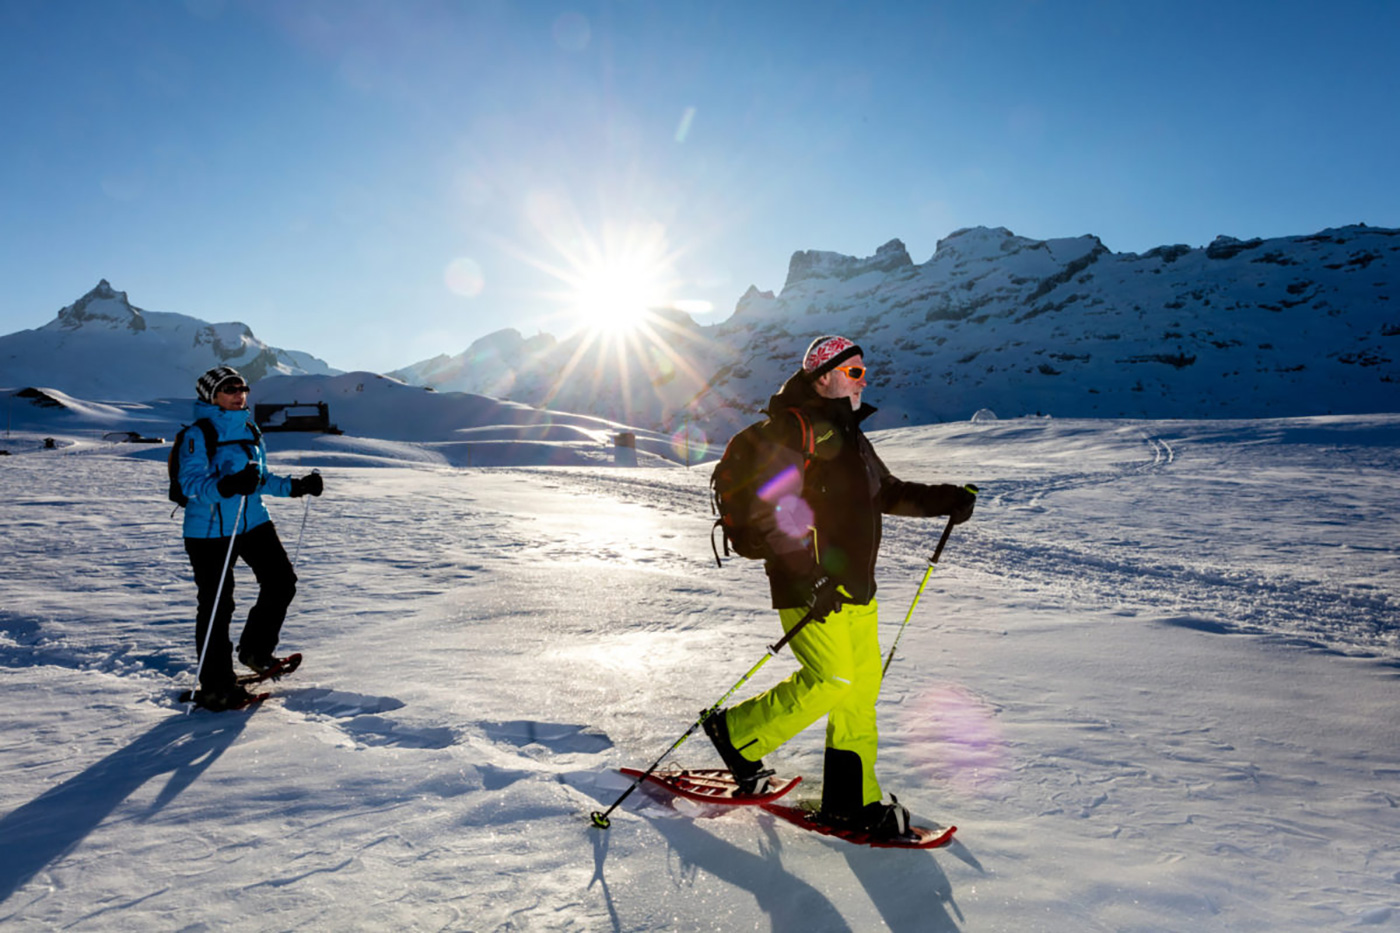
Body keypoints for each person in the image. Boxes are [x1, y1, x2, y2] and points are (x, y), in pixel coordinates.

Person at [703, 335, 977, 838]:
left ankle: (853, 800)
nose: (863, 379)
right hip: (809, 586)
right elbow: (772, 512)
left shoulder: (850, 436)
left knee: (860, 692)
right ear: (823, 376)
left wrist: (946, 499)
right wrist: (811, 576)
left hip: (856, 589)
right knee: (832, 681)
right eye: (853, 372)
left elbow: (886, 493)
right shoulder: (794, 431)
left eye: (863, 372)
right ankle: (736, 734)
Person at [180, 365, 323, 710]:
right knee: (218, 605)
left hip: (253, 521)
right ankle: (216, 685)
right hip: (209, 531)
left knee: (282, 581)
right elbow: (191, 484)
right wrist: (228, 485)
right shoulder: (198, 434)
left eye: (242, 387)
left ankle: (255, 651)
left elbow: (259, 479)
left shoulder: (249, 427)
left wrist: (295, 486)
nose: (238, 394)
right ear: (211, 395)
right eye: (229, 388)